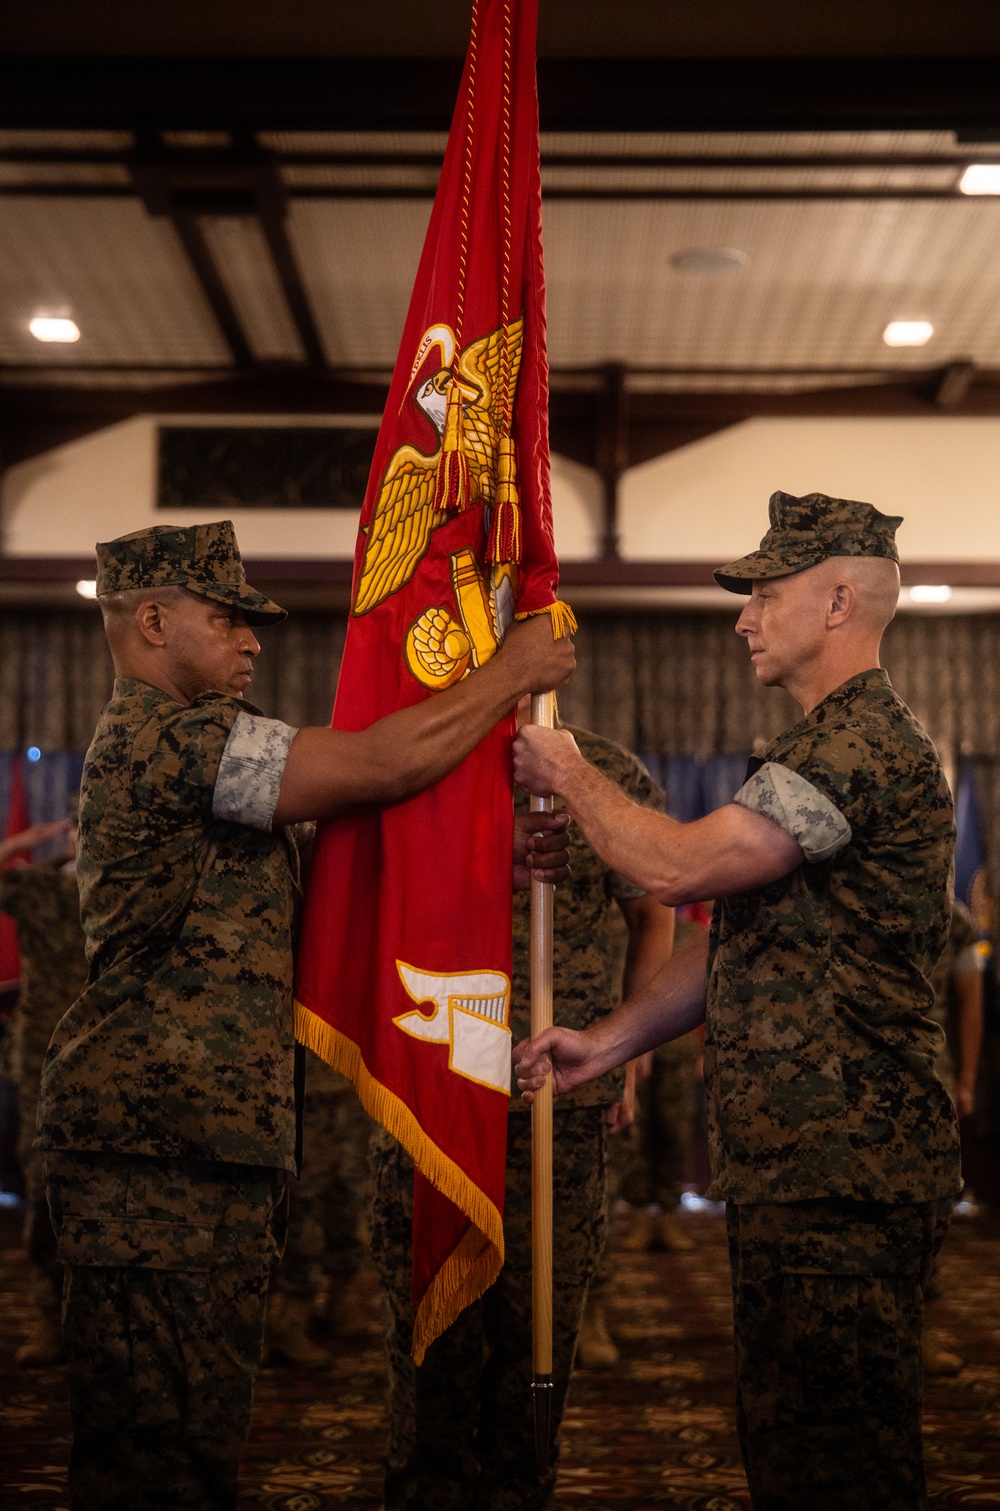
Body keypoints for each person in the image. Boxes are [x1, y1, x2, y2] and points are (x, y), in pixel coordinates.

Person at [35, 519, 574, 1511]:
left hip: (197, 1143)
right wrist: (505, 675)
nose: (253, 642)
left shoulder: (199, 755)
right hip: (150, 1151)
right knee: (151, 1452)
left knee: (195, 1438)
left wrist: (476, 855)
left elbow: (337, 870)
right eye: (229, 618)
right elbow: (373, 766)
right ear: (151, 620)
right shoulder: (169, 738)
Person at [513, 491, 961, 1511]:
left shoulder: (860, 745)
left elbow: (674, 868)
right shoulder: (812, 748)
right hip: (803, 1161)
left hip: (846, 1165)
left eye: (762, 593)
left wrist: (572, 777)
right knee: (792, 1440)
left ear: (837, 598)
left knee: (838, 1457)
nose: (741, 618)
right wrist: (611, 1039)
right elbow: (725, 936)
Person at [369, 717, 674, 1511]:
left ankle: (519, 1486)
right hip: (433, 1092)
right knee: (433, 1337)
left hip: (557, 1099)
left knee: (538, 1331)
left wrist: (628, 1050)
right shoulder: (421, 759)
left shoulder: (603, 772)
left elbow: (654, 911)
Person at [0, 817, 84, 1366]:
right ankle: (49, 1312)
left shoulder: (133, 885)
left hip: (112, 1060)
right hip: (44, 1059)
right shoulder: (41, 888)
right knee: (44, 1182)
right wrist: (26, 846)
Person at [264, 1052, 371, 1368]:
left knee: (349, 1193)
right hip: (299, 1082)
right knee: (302, 1202)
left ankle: (343, 1296)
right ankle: (290, 1317)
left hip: (352, 1072)